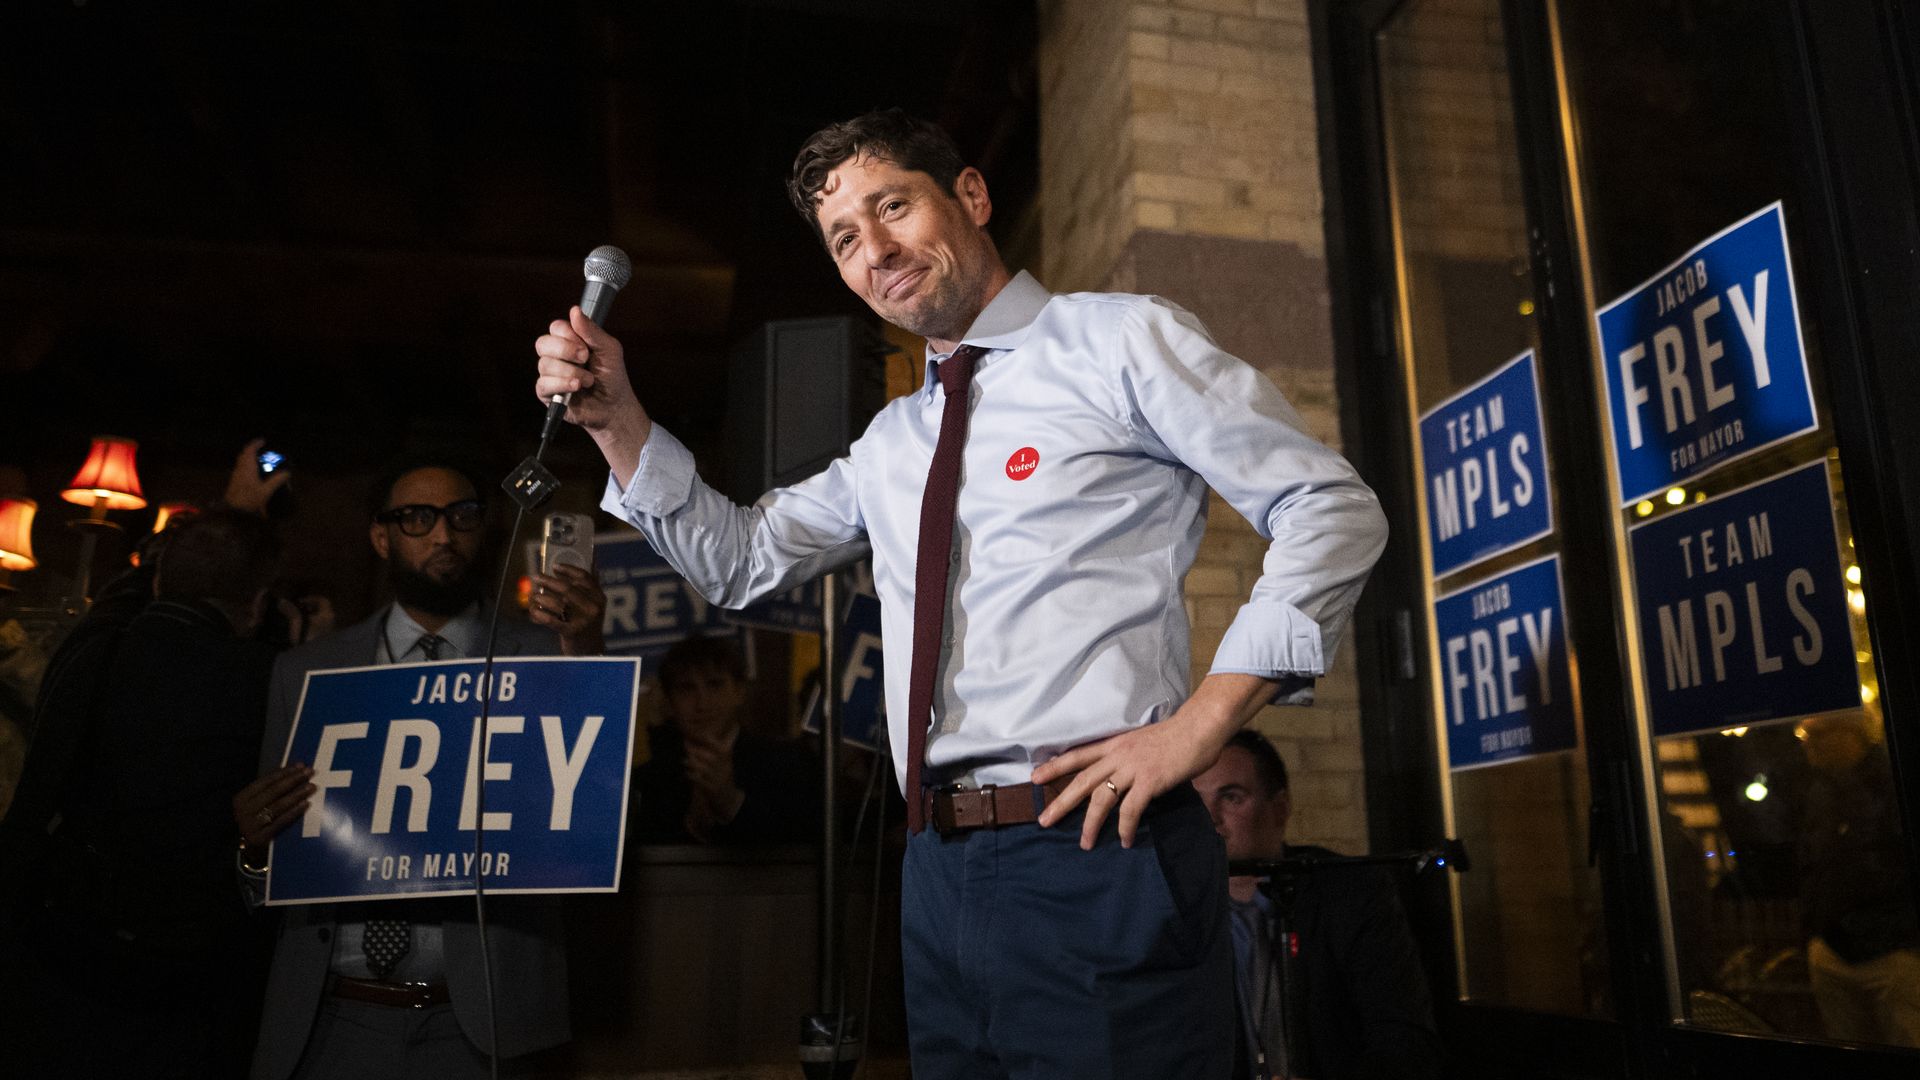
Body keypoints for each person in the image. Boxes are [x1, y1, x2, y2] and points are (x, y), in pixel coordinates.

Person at [531, 108, 1386, 1078]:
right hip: (935, 867)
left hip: (1095, 844)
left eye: (893, 206)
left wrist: (1200, 727)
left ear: (971, 196)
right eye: (845, 239)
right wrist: (617, 422)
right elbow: (742, 559)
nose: (876, 249)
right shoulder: (892, 443)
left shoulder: (1118, 341)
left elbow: (1329, 507)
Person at [231, 460, 607, 1080]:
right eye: (416, 518)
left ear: (483, 530)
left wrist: (585, 653)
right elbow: (272, 866)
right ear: (381, 538)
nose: (442, 536)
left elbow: (589, 809)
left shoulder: (546, 655)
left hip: (481, 1025)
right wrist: (251, 846)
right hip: (329, 1021)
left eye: (461, 516)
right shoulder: (305, 672)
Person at [1, 508, 287, 1078]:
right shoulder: (261, 680)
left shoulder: (89, 648)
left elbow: (116, 598)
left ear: (159, 581)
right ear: (256, 605)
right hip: (179, 980)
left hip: (50, 947)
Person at [1193, 730, 1441, 1080]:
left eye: (1231, 797)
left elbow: (1405, 1040)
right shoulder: (1176, 909)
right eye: (1196, 802)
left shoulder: (1350, 891)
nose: (1210, 818)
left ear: (1279, 809)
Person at [1796, 713, 1920, 1047]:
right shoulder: (1822, 790)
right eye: (1805, 734)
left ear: (1852, 734)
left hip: (1893, 952)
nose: (1808, 743)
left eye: (1819, 734)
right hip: (1834, 949)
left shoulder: (1892, 782)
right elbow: (1813, 864)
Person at [633, 634, 819, 844]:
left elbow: (799, 838)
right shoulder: (647, 779)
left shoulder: (788, 763)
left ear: (739, 691)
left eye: (714, 685)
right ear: (668, 701)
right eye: (687, 689)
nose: (702, 703)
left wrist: (729, 801)